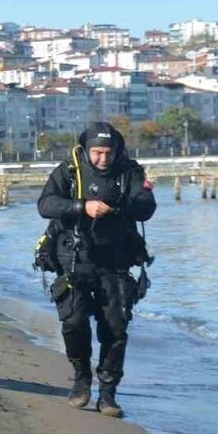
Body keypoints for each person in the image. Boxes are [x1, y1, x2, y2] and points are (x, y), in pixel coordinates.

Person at [37, 121, 156, 418]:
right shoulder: (69, 170)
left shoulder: (130, 171)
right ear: (87, 150)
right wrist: (82, 207)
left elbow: (146, 207)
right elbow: (45, 204)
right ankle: (81, 378)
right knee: (74, 323)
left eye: (109, 153)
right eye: (98, 152)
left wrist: (122, 203)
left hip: (115, 260)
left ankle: (108, 392)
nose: (104, 159)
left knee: (115, 329)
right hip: (74, 258)